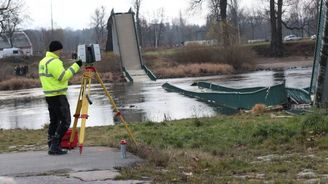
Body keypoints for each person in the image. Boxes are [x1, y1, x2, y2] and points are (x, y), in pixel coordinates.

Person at [39, 41, 82, 155]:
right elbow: (63, 77)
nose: (62, 52)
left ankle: (51, 145)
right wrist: (77, 65)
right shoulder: (54, 62)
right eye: (61, 50)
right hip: (58, 95)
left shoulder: (43, 61)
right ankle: (55, 145)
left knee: (54, 121)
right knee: (65, 121)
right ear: (56, 50)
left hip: (49, 95)